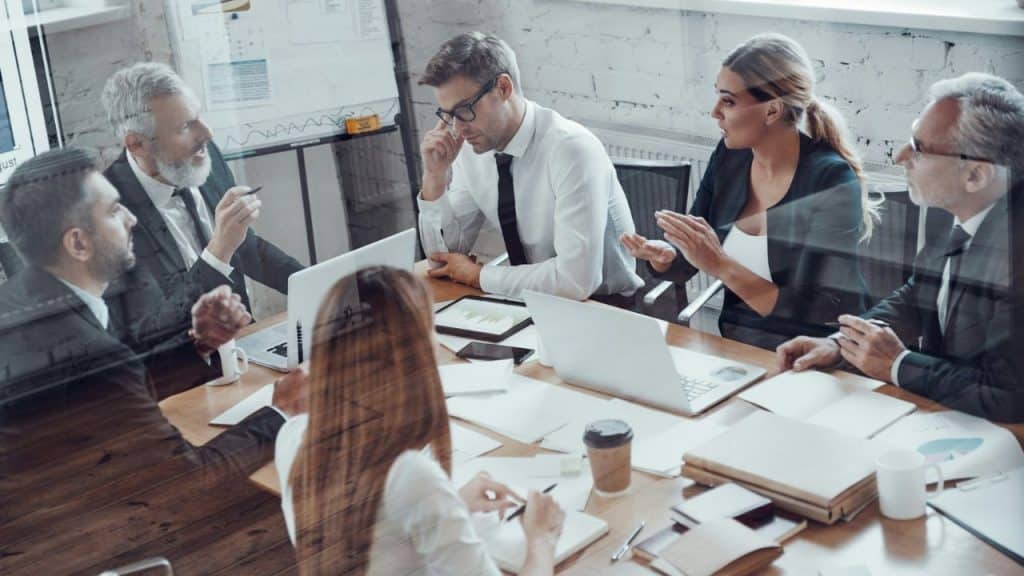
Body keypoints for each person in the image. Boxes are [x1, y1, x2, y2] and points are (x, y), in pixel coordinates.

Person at [0, 148, 306, 540]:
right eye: (114, 211)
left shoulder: (25, 300)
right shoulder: (91, 352)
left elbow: (106, 393)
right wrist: (281, 411)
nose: (132, 220)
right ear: (78, 244)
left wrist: (194, 344)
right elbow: (191, 483)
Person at [275, 266, 564, 575]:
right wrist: (542, 539)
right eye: (433, 328)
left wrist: (448, 507)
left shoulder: (292, 436)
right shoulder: (410, 476)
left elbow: (375, 532)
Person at [777, 73, 1024, 423]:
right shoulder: (961, 207)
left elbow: (1008, 396)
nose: (899, 155)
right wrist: (840, 344)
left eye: (920, 148)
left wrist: (897, 364)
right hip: (947, 416)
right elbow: (916, 296)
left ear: (976, 176)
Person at [622, 33, 876, 349]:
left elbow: (813, 309)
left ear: (772, 111)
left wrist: (719, 265)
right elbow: (697, 253)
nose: (715, 111)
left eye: (728, 100)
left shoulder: (830, 177)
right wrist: (667, 256)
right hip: (740, 346)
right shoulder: (731, 157)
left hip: (819, 352)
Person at [100, 62, 304, 390]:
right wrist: (219, 248)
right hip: (182, 383)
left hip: (244, 358)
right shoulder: (106, 213)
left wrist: (320, 291)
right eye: (185, 127)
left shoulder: (205, 158)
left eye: (200, 117)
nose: (206, 134)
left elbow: (247, 248)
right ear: (136, 143)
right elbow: (151, 331)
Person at [417, 32, 643, 304]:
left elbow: (577, 281)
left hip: (603, 307)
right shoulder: (473, 147)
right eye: (449, 115)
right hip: (529, 297)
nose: (457, 128)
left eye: (464, 109)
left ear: (503, 88)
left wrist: (479, 276)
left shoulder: (571, 149)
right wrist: (435, 177)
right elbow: (443, 260)